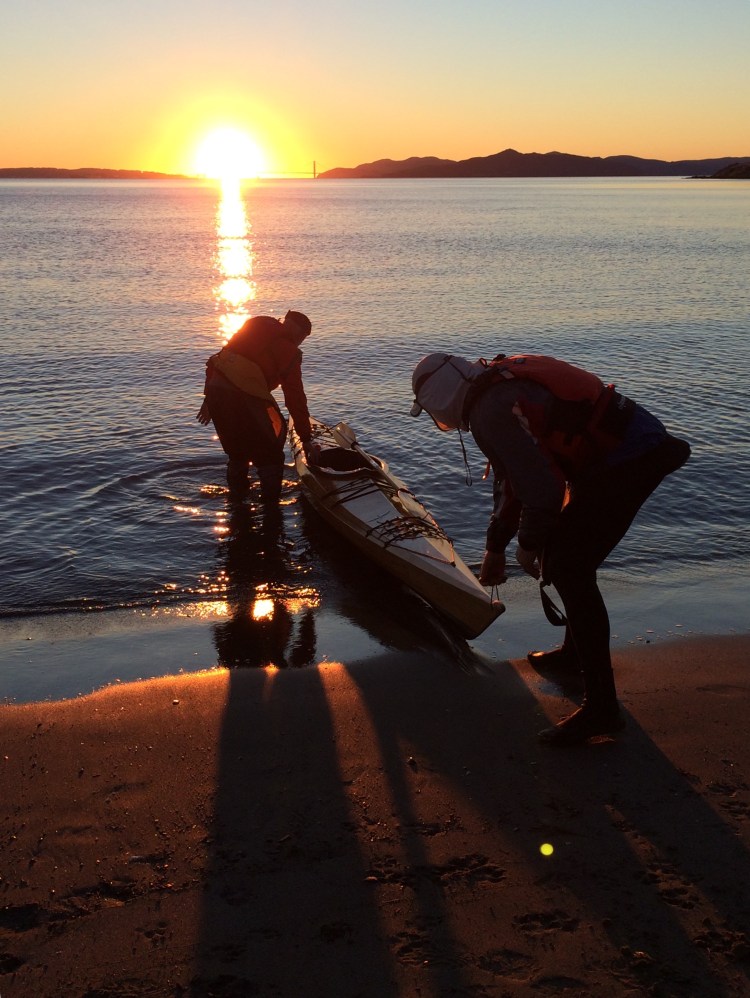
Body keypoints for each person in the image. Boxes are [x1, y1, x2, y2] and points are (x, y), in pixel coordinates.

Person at [410, 351, 690, 746]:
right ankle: (574, 656)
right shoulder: (492, 386)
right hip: (623, 453)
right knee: (567, 560)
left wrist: (527, 545)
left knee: (569, 568)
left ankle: (602, 710)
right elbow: (514, 476)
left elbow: (541, 488)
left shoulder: (490, 410)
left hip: (632, 458)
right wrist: (496, 545)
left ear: (439, 397)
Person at [197, 310, 316, 503]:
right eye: (302, 338)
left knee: (237, 453)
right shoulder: (289, 351)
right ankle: (271, 510)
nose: (300, 343)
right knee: (270, 455)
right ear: (299, 333)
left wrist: (208, 399)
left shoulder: (256, 326)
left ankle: (236, 504)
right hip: (245, 398)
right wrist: (306, 438)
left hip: (217, 393)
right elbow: (295, 397)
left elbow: (219, 359)